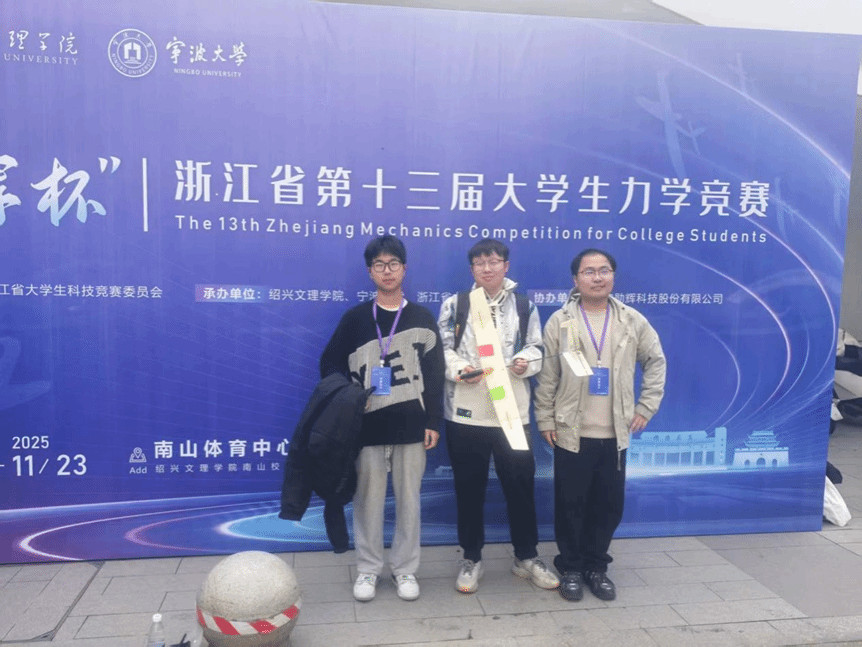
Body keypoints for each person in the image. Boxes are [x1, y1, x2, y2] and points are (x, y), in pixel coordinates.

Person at [534, 248, 666, 602]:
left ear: (613, 276)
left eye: (604, 270)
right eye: (589, 271)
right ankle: (571, 568)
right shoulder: (560, 322)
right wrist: (545, 417)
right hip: (571, 432)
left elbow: (655, 361)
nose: (597, 277)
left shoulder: (631, 320)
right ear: (576, 279)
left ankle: (596, 567)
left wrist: (646, 406)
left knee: (608, 507)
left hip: (615, 434)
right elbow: (548, 376)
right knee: (570, 505)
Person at [320, 235, 444, 602]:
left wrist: (433, 421)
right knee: (367, 503)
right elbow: (329, 364)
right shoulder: (355, 319)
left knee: (409, 503)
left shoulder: (422, 317)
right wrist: (348, 400)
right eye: (379, 265)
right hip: (366, 427)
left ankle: (405, 570)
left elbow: (435, 374)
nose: (386, 271)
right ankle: (368, 569)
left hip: (411, 426)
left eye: (393, 264)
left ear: (404, 269)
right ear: (370, 272)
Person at [437, 238, 559, 594]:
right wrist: (459, 369)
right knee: (468, 490)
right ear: (472, 269)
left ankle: (526, 556)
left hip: (512, 413)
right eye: (480, 263)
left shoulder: (524, 305)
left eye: (493, 261)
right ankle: (471, 558)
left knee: (520, 488)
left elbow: (536, 346)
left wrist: (525, 362)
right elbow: (442, 349)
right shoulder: (456, 304)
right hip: (466, 414)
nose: (487, 268)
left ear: (506, 266)